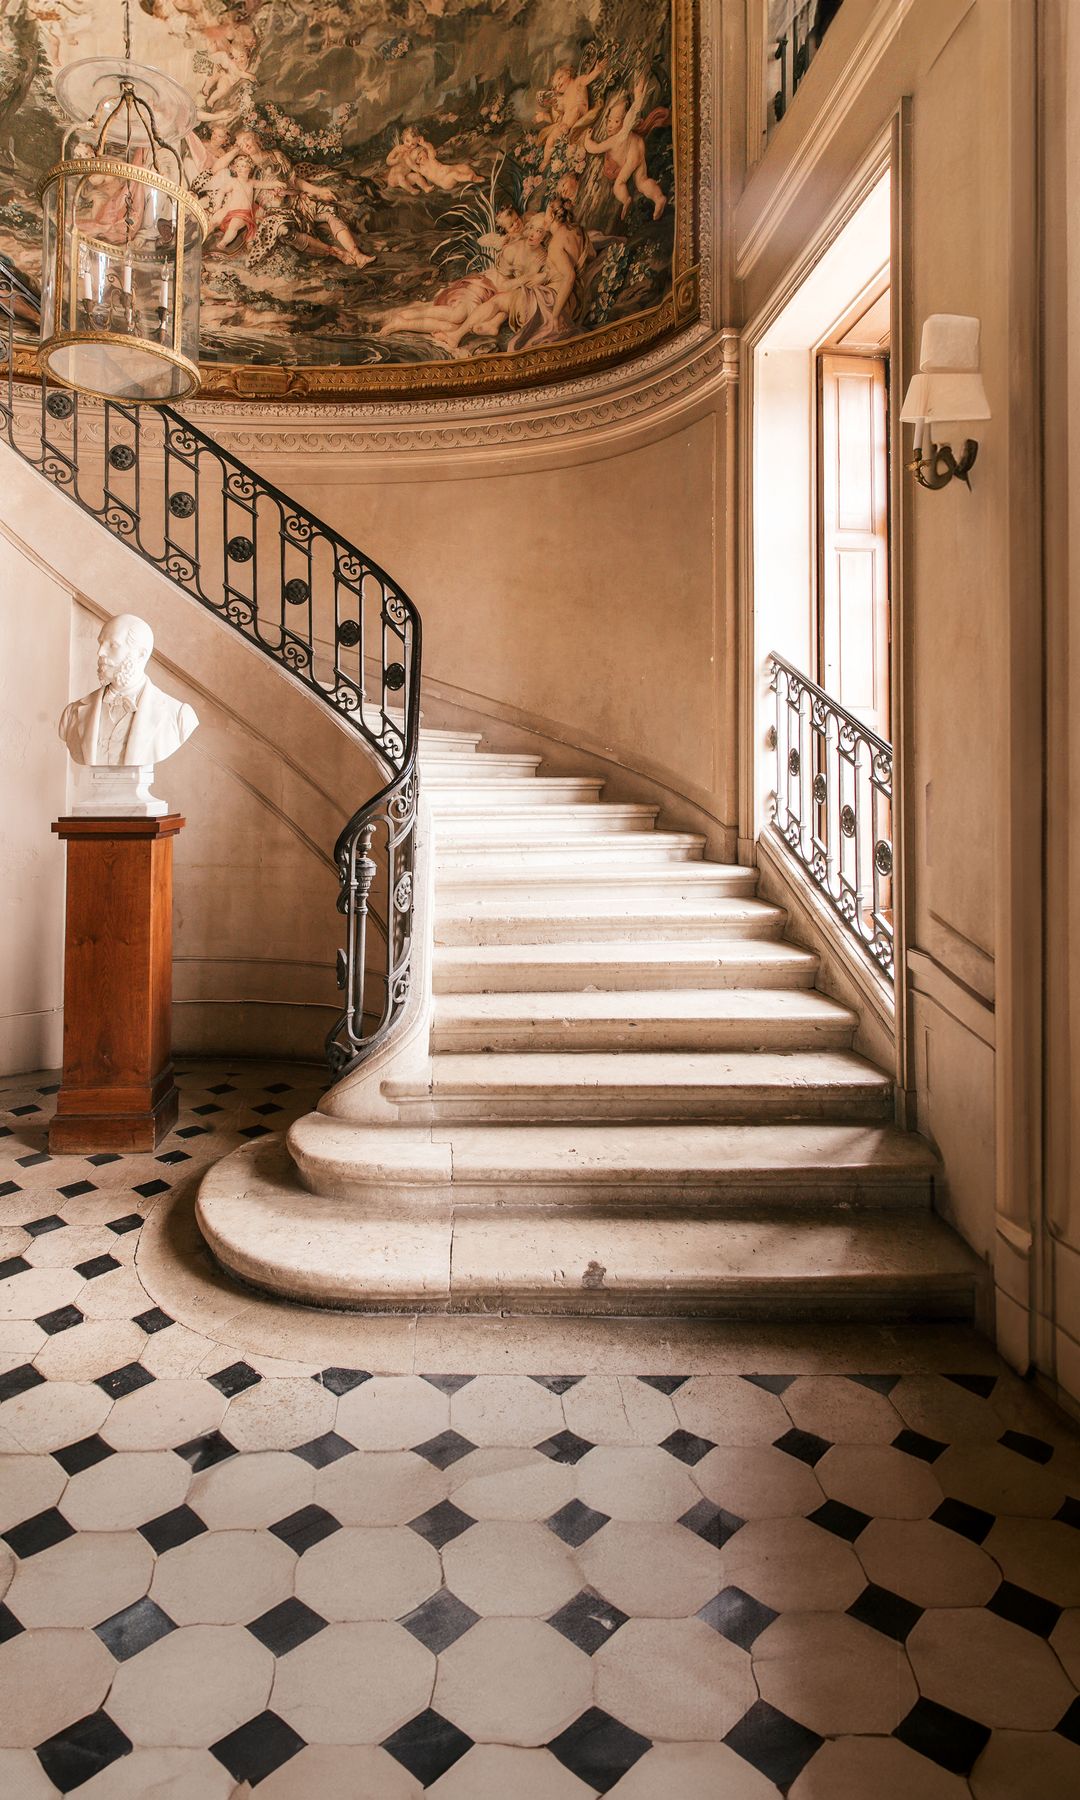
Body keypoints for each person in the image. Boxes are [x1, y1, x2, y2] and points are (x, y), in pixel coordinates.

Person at [58, 615, 198, 767]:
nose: (100, 652)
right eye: (100, 643)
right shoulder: (72, 714)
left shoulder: (178, 716)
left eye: (112, 645)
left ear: (140, 654)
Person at [584, 76, 669, 220]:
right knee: (641, 181)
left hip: (631, 155)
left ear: (624, 123)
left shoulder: (618, 137)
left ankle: (625, 200)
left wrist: (587, 140)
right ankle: (659, 198)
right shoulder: (621, 134)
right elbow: (631, 115)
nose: (610, 125)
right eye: (609, 120)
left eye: (616, 121)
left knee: (619, 184)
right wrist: (638, 95)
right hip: (638, 145)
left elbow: (595, 148)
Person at [536, 55, 606, 169]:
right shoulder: (563, 98)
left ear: (568, 73)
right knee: (550, 140)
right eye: (555, 86)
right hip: (564, 123)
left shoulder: (577, 82)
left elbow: (587, 79)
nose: (558, 84)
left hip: (579, 114)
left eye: (559, 78)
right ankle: (545, 161)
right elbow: (559, 113)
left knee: (574, 110)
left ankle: (567, 128)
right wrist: (554, 108)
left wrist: (596, 71)